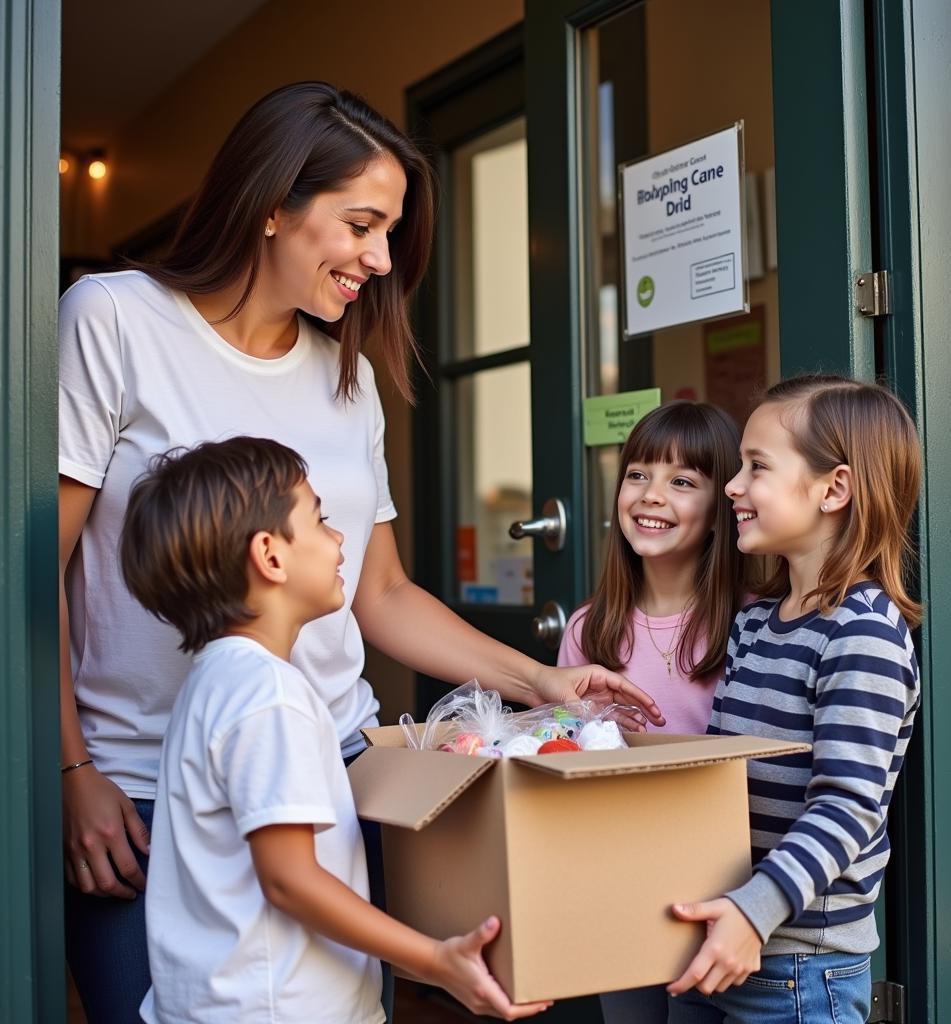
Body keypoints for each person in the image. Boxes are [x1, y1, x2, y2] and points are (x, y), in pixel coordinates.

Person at [58, 81, 662, 1023]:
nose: (380, 261)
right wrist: (71, 771)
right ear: (271, 206)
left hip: (333, 767)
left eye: (390, 233)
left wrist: (539, 681)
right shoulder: (114, 321)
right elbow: (36, 574)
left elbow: (378, 594)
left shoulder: (345, 377)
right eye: (362, 225)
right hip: (141, 785)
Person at [117, 436, 551, 1023]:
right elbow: (291, 880)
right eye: (320, 519)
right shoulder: (269, 697)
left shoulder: (216, 681)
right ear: (270, 556)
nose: (341, 536)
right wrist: (435, 958)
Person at [664, 374, 922, 1024]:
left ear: (833, 489)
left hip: (798, 966)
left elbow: (846, 807)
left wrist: (754, 914)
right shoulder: (756, 625)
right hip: (719, 937)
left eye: (757, 468)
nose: (732, 486)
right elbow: (722, 779)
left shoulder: (862, 634)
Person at [556, 400, 747, 1023]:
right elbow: (562, 762)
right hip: (620, 888)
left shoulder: (750, 623)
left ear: (723, 508)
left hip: (717, 891)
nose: (651, 495)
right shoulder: (589, 629)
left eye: (682, 481)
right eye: (637, 474)